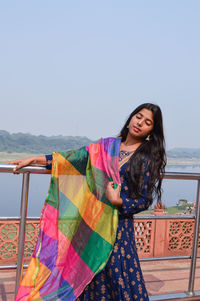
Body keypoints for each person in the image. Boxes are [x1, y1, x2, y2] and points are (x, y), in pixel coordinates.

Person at [9, 103, 166, 301]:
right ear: (130, 119)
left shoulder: (146, 156)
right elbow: (73, 159)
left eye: (147, 122)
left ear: (152, 130)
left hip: (119, 228)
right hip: (92, 224)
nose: (140, 123)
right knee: (87, 276)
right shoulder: (105, 147)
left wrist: (118, 200)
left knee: (118, 278)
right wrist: (34, 159)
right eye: (138, 117)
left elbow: (144, 200)